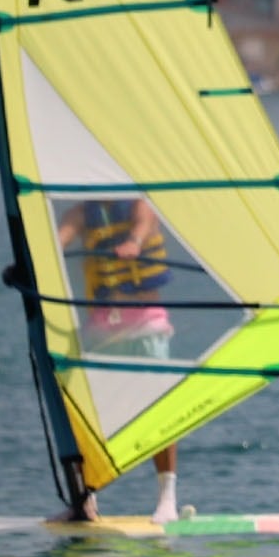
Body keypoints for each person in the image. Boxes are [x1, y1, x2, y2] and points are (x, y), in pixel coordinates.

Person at [55, 196, 181, 523]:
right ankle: (86, 500)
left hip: (145, 328)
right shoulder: (82, 213)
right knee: (88, 418)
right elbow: (58, 239)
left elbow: (143, 225)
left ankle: (167, 499)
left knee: (157, 410)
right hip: (104, 331)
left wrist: (134, 242)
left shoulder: (139, 206)